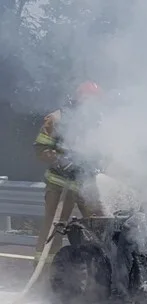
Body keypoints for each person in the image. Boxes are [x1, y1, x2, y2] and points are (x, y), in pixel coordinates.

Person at [31, 81, 106, 266]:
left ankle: (97, 271)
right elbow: (41, 148)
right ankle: (44, 271)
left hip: (86, 183)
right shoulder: (57, 119)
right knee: (54, 228)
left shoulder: (99, 121)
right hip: (59, 184)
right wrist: (60, 160)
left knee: (100, 224)